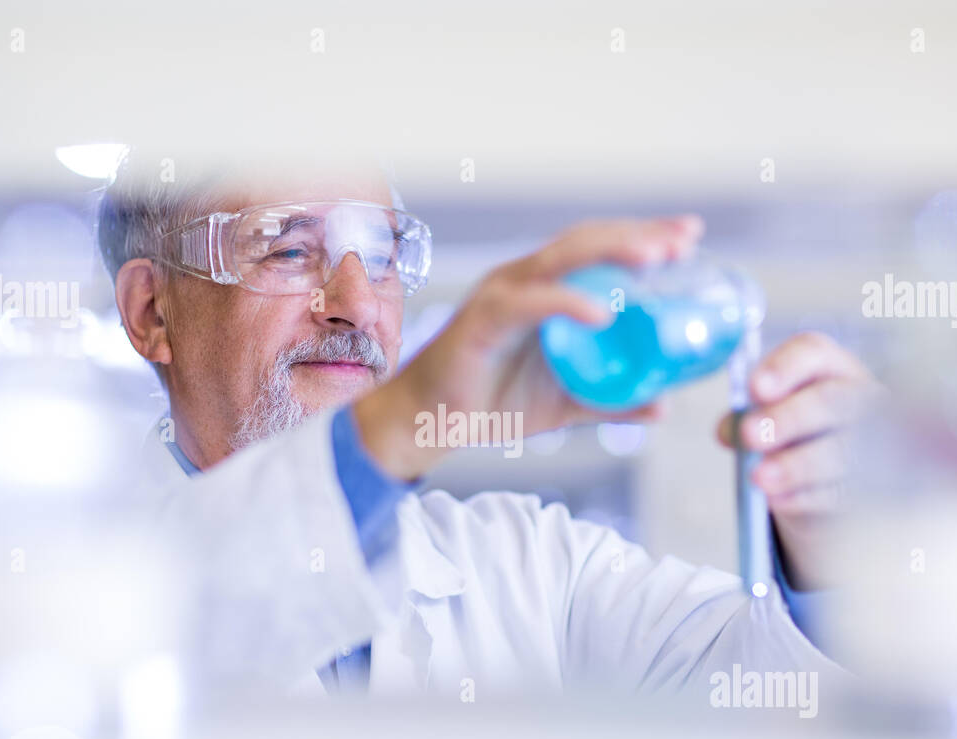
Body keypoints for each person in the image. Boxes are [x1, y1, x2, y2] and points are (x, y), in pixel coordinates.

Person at [98, 151, 880, 698]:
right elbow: (182, 624)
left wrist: (823, 550)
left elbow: (763, 713)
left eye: (381, 257)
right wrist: (404, 420)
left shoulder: (538, 569)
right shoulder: (75, 572)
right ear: (152, 311)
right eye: (290, 249)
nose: (356, 302)